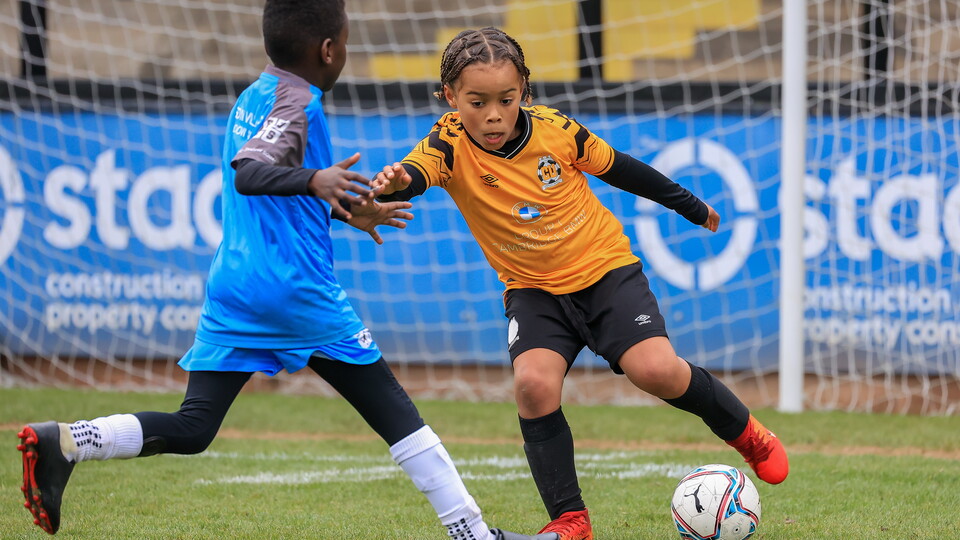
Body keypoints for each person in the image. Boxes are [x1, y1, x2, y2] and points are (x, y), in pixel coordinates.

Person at [16, 6, 557, 540]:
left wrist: (345, 208)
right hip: (297, 293)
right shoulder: (299, 104)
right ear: (329, 50)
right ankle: (474, 536)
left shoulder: (255, 95)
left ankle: (69, 440)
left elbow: (277, 194)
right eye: (344, 42)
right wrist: (317, 180)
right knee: (399, 419)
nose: (344, 51)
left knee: (194, 425)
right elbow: (252, 172)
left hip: (236, 289)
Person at [374, 26, 789, 540]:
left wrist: (689, 204)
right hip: (533, 291)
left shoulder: (556, 130)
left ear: (525, 89)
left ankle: (748, 435)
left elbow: (623, 170)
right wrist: (398, 184)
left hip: (605, 274)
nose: (494, 115)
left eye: (506, 99)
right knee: (533, 385)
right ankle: (571, 521)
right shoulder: (447, 143)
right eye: (477, 102)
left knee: (657, 371)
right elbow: (416, 172)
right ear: (450, 98)